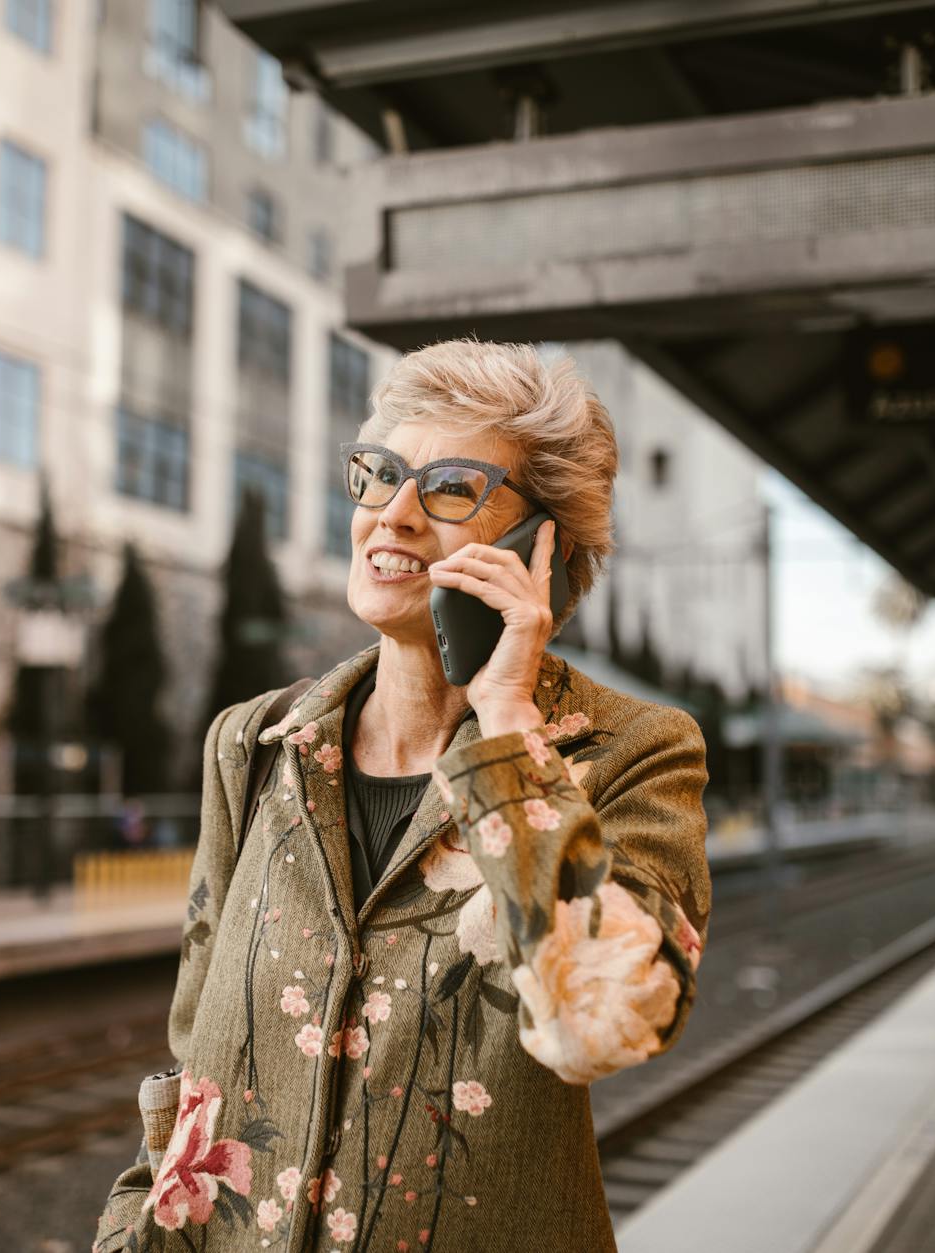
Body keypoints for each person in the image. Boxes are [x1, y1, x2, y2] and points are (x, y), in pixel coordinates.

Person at [95, 341, 710, 1252]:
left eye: (452, 486)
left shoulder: (632, 751)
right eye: (379, 475)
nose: (396, 513)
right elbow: (195, 1065)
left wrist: (505, 728)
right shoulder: (253, 744)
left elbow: (602, 1027)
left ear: (541, 545)